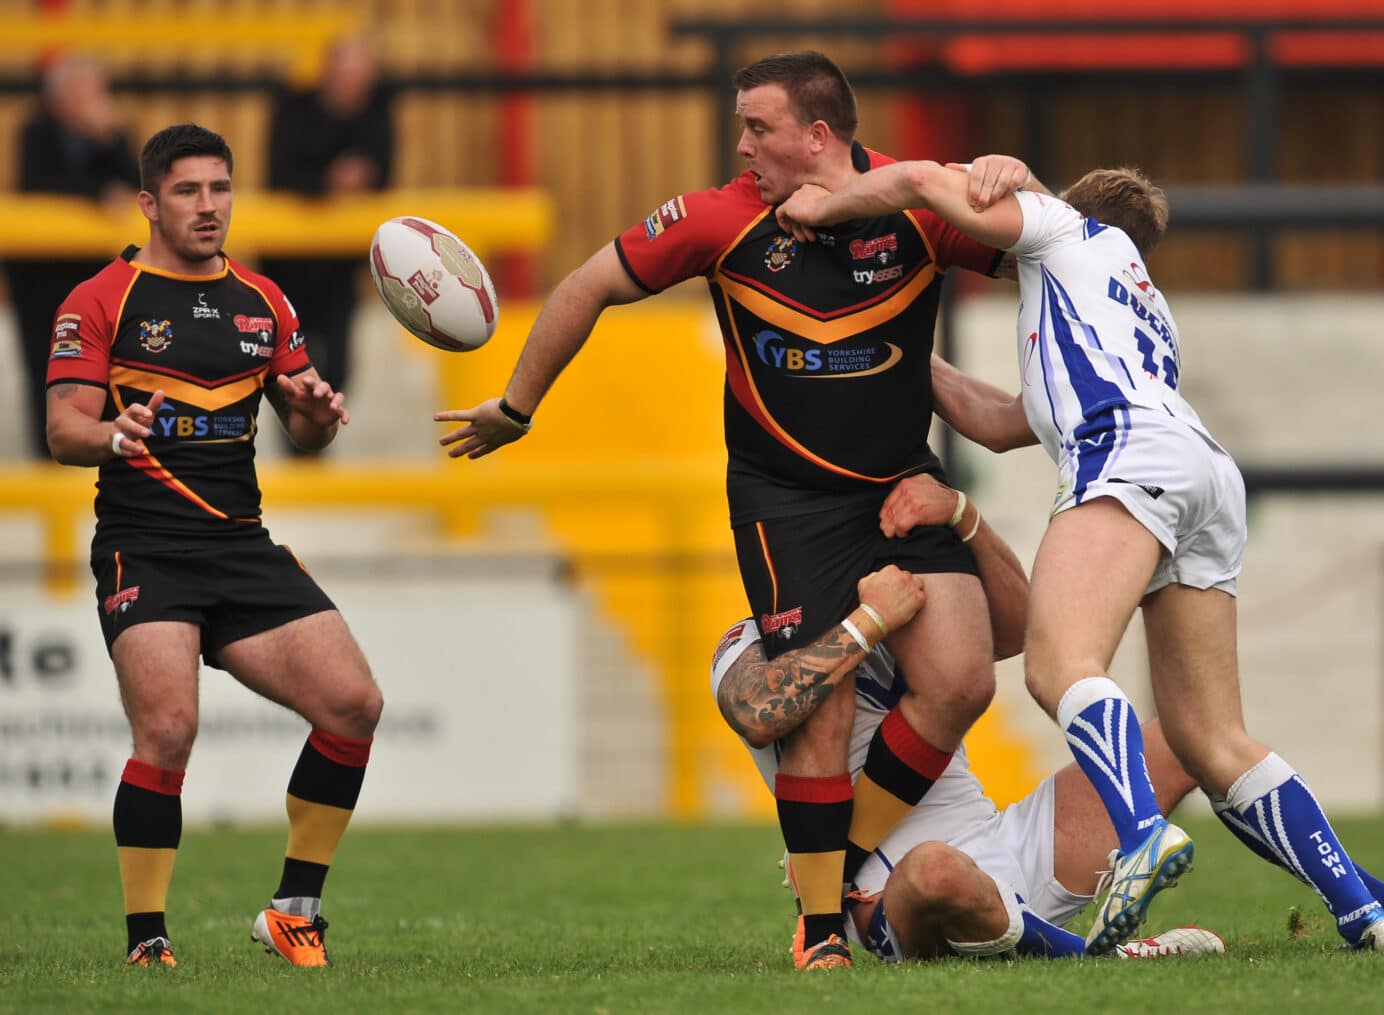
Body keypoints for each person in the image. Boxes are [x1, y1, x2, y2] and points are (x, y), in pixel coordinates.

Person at [433, 50, 1035, 968]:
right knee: (821, 709)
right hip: (785, 503)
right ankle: (824, 929)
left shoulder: (917, 205)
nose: (741, 144)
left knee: (961, 680)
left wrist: (1015, 179)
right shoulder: (720, 216)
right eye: (741, 126)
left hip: (898, 486)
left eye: (759, 127)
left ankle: (827, 865)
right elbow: (587, 284)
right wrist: (515, 408)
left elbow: (1050, 248)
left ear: (818, 136)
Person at [776, 163, 1384, 953]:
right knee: (1211, 736)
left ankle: (1141, 837)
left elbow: (923, 182)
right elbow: (998, 422)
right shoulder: (1135, 303)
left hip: (1126, 456)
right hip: (1202, 470)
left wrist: (824, 205)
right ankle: (1363, 906)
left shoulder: (1061, 228)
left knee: (1056, 664)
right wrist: (884, 347)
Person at [45, 123, 383, 968]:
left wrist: (312, 412)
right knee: (167, 727)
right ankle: (146, 938)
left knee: (354, 704)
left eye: (221, 189)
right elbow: (60, 430)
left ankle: (292, 911)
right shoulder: (100, 297)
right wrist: (111, 434)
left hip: (239, 544)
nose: (209, 206)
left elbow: (304, 440)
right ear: (150, 203)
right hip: (145, 545)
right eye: (189, 191)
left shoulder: (264, 301)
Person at [712, 473, 1225, 964]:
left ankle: (1304, 883)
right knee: (936, 870)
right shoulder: (751, 642)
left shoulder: (917, 608)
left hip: (1000, 839)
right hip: (893, 887)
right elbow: (757, 713)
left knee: (1192, 732)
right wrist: (869, 622)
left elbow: (1024, 629)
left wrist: (963, 513)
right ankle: (1111, 957)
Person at [7, 52, 140, 458]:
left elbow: (134, 185)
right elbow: (39, 184)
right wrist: (96, 195)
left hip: (91, 277)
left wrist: (107, 140)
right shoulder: (35, 131)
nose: (95, 99)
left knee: (101, 366)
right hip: (38, 278)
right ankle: (46, 453)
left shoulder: (114, 133)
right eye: (86, 91)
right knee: (42, 367)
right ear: (59, 95)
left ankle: (103, 445)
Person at [259, 33, 394, 432]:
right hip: (289, 265)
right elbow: (280, 175)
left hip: (339, 267)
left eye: (362, 81)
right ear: (328, 75)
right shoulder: (293, 108)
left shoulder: (375, 112)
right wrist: (329, 182)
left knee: (339, 367)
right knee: (285, 363)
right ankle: (298, 445)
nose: (355, 89)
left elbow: (382, 173)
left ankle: (317, 438)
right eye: (347, 78)